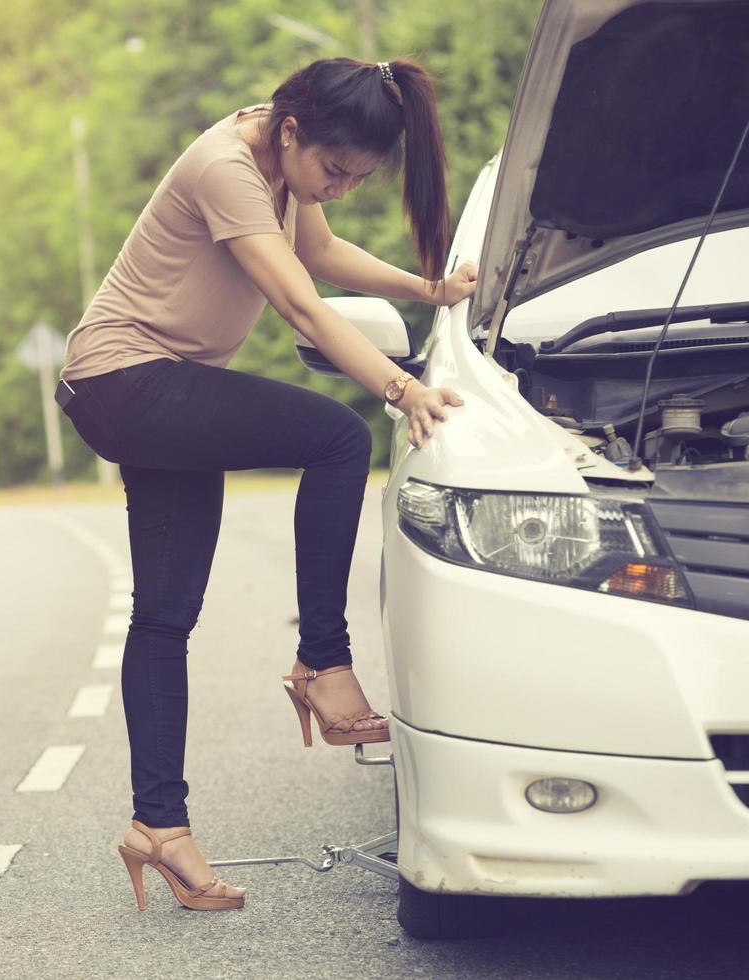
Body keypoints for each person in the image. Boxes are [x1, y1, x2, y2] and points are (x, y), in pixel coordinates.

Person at [56, 57, 477, 911]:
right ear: (292, 135)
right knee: (337, 436)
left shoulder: (285, 149)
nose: (340, 186)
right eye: (334, 171)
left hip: (159, 388)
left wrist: (426, 289)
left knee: (166, 614)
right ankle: (322, 659)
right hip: (125, 378)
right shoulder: (226, 167)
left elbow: (320, 253)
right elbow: (301, 304)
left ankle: (158, 831)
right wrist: (401, 388)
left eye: (357, 178)